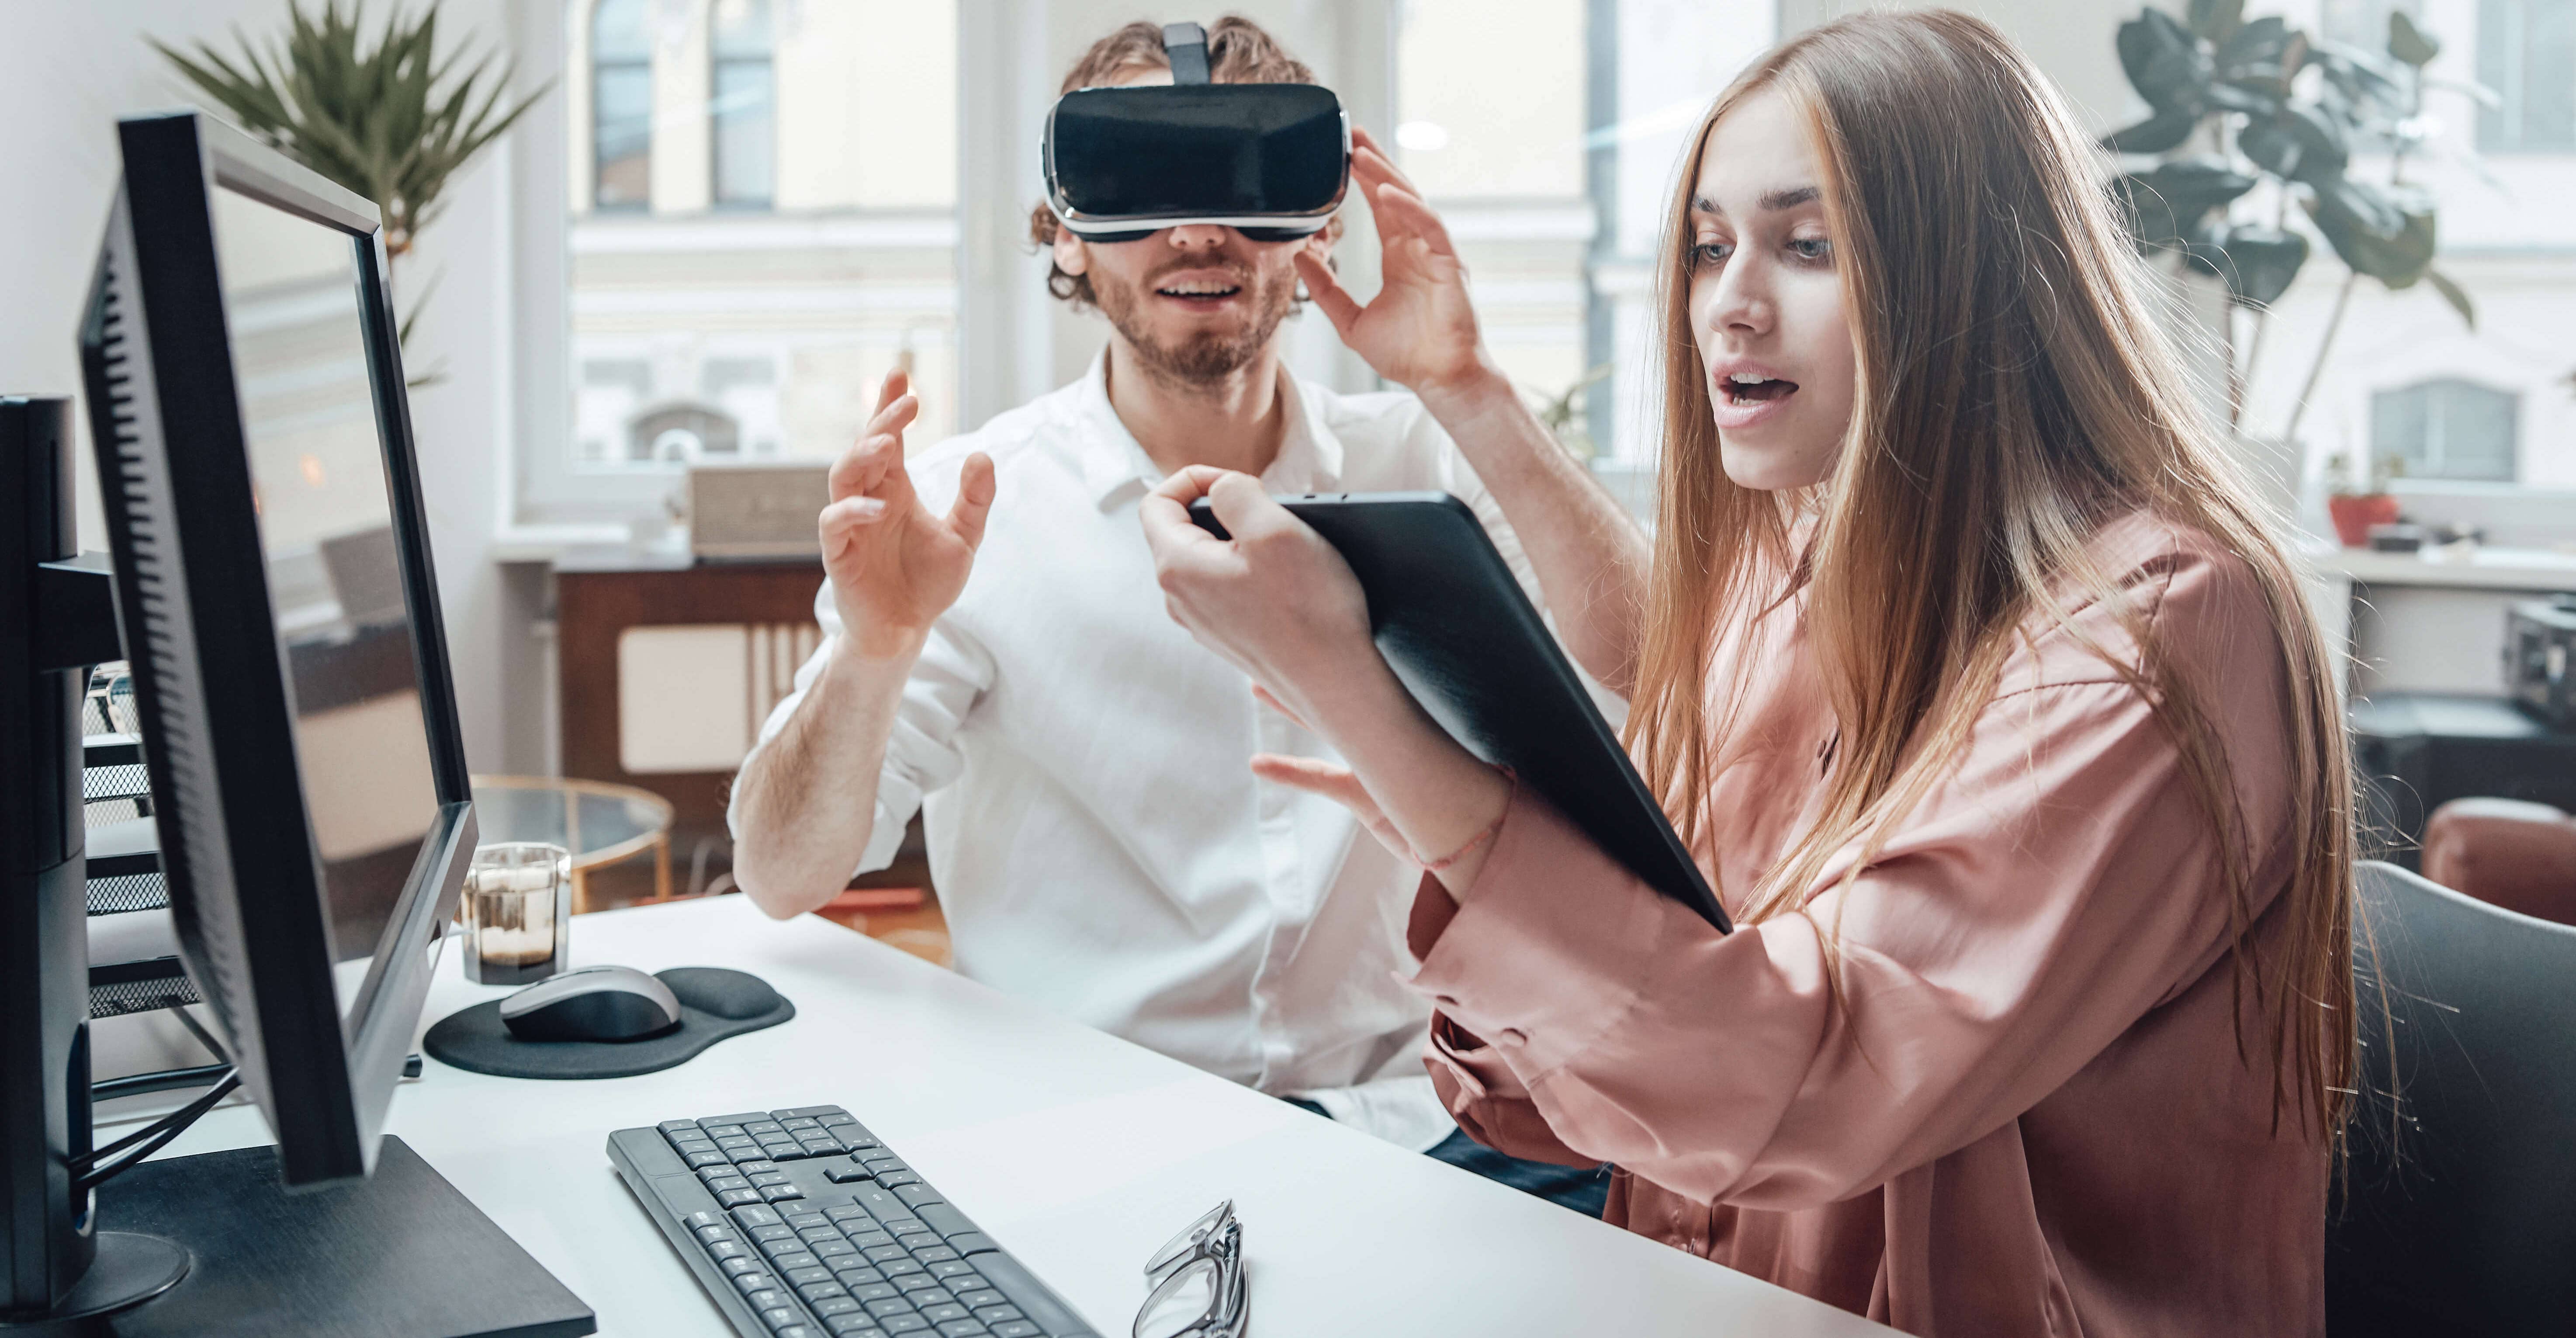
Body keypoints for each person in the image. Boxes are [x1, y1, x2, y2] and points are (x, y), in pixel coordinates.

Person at [1139, 11, 2358, 1336]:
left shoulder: (2165, 622)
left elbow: (1806, 1084)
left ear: (1975, 279)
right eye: (1710, 247)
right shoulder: (1807, 573)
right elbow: (1588, 1079)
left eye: (1810, 244)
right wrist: (1485, 872)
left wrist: (1367, 709)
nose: (1730, 302)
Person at [726, 18, 1633, 1214]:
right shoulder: (970, 509)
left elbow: (1658, 697)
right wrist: (874, 650)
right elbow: (784, 874)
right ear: (1064, 228)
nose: (1199, 232)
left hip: (1420, 1129)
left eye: (1245, 182)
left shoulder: (1429, 461)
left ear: (1317, 219)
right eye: (1144, 182)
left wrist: (1472, 388)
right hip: (1086, 1140)